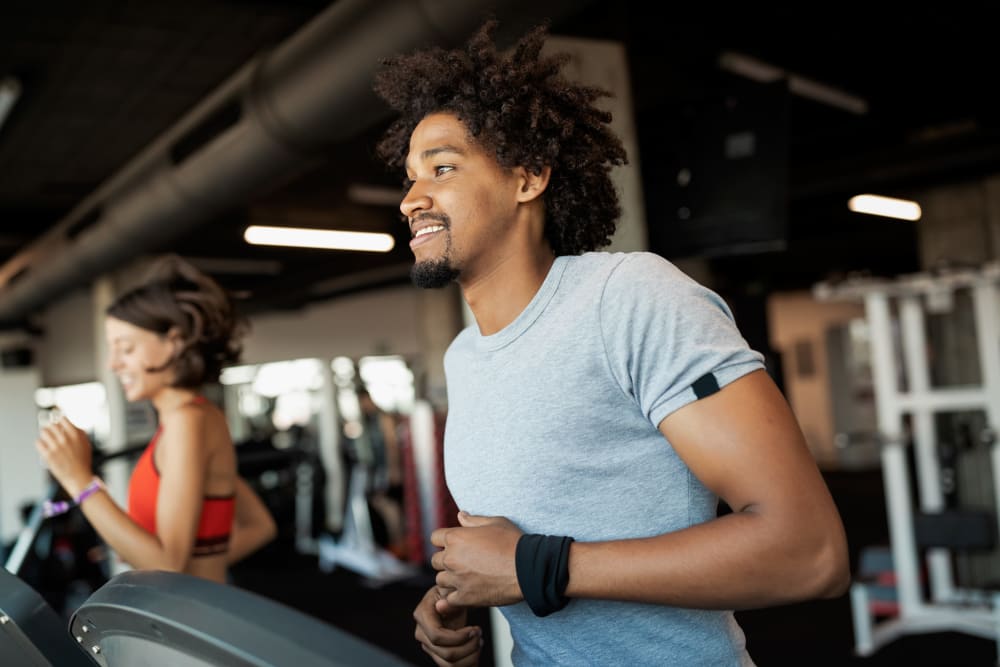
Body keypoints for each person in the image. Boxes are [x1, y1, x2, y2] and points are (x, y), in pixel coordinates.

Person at [372, 19, 850, 666]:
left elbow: (808, 551)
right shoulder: (466, 355)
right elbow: (514, 548)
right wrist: (456, 594)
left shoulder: (629, 298)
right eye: (408, 177)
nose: (411, 199)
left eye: (443, 168)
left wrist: (539, 568)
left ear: (528, 178)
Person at [35, 255, 277, 585]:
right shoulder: (201, 416)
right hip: (196, 604)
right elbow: (259, 526)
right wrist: (187, 564)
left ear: (173, 343)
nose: (113, 364)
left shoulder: (186, 422)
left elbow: (168, 563)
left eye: (126, 348)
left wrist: (80, 481)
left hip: (187, 618)